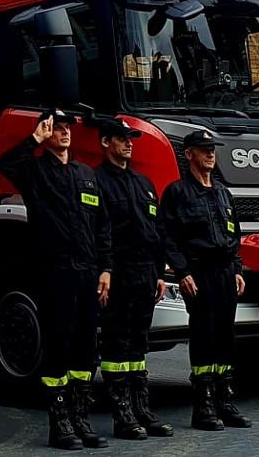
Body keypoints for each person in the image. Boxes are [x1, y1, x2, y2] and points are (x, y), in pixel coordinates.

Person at [0, 110, 111, 450]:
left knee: (86, 347)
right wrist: (34, 137)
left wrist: (105, 268)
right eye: (56, 128)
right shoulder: (35, 170)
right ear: (46, 133)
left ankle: (80, 417)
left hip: (88, 271)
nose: (63, 133)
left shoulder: (86, 175)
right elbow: (5, 164)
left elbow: (102, 226)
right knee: (58, 344)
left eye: (66, 129)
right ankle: (59, 421)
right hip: (54, 271)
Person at [87, 117, 175, 440]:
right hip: (118, 274)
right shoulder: (96, 182)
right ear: (105, 142)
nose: (129, 143)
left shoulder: (144, 184)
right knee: (116, 344)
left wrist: (160, 272)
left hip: (145, 275)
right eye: (122, 138)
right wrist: (105, 271)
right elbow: (99, 232)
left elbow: (156, 232)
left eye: (131, 138)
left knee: (139, 345)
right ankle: (121, 414)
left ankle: (141, 408)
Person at [158, 129, 252, 431]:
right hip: (199, 274)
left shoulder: (223, 193)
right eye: (204, 149)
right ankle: (204, 407)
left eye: (212, 149)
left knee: (226, 337)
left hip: (225, 272)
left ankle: (225, 401)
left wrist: (238, 270)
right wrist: (182, 271)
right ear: (189, 155)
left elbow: (233, 235)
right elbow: (167, 237)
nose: (211, 154)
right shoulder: (178, 193)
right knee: (204, 338)